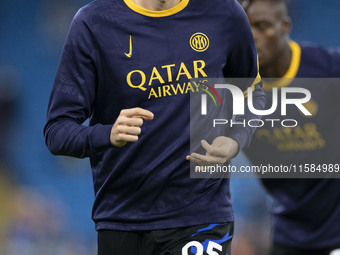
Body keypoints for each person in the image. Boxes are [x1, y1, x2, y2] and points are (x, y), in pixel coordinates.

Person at [44, 0, 265, 254]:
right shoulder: (93, 23)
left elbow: (252, 94)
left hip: (201, 213)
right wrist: (107, 134)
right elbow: (57, 130)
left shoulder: (223, 12)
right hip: (123, 219)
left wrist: (236, 138)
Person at [240, 0, 340, 254]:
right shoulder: (229, 90)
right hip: (290, 235)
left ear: (284, 27)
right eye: (242, 28)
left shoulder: (329, 70)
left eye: (261, 26)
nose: (252, 36)